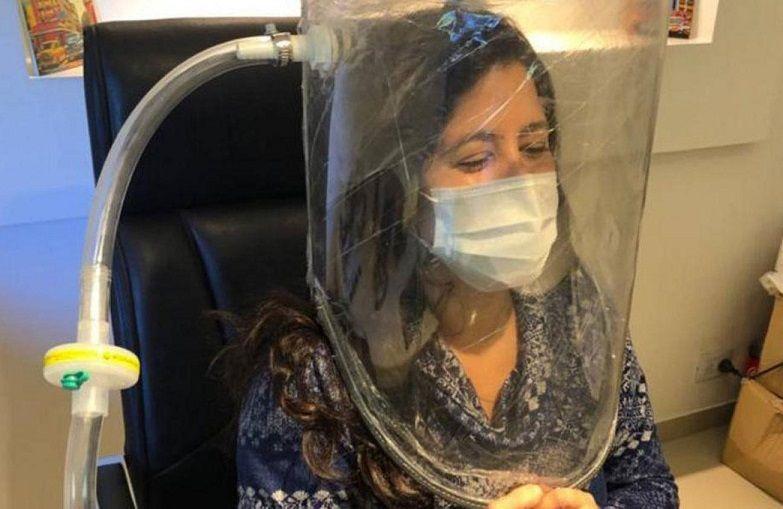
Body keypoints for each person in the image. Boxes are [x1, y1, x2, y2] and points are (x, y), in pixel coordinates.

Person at [224, 6, 679, 509]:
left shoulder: (577, 313)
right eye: (475, 158)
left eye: (534, 147)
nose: (520, 181)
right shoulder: (317, 376)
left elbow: (649, 484)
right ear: (398, 188)